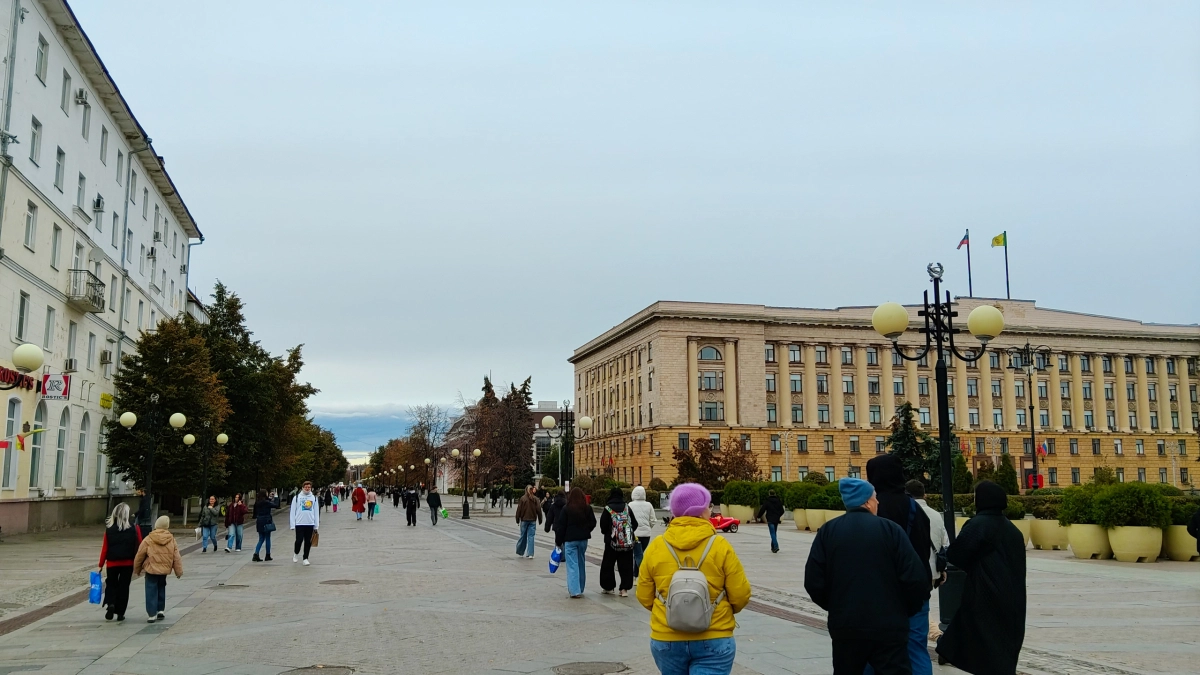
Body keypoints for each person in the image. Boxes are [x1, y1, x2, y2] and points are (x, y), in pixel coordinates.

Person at [804, 477, 930, 674]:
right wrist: (904, 610)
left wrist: (837, 605)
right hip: (889, 626)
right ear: (866, 502)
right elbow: (915, 578)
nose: (878, 502)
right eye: (874, 498)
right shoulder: (890, 530)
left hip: (846, 626)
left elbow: (813, 581)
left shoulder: (828, 531)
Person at [636, 482, 752, 675]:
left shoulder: (657, 546)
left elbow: (643, 595)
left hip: (667, 637)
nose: (711, 509)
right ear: (701, 510)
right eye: (708, 505)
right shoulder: (720, 545)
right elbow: (740, 594)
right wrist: (720, 611)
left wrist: (671, 610)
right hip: (714, 635)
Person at [936, 481, 1027, 675]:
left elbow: (956, 554)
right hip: (1013, 597)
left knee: (984, 644)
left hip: (985, 593)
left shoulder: (979, 524)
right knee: (1002, 645)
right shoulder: (1013, 530)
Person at [867, 454, 934, 675]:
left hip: (880, 591)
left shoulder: (871, 509)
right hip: (914, 589)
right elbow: (923, 550)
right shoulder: (914, 508)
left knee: (872, 650)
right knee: (915, 648)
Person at [133, 515, 183, 623]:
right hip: (164, 569)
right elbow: (176, 556)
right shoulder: (171, 539)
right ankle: (160, 609)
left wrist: (136, 569)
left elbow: (140, 555)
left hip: (151, 568)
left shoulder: (149, 538)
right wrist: (178, 571)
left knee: (151, 589)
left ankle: (152, 614)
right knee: (161, 587)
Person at [98, 503, 142, 621]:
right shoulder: (134, 528)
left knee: (111, 584)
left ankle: (111, 603)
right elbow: (140, 546)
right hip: (128, 563)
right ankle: (121, 612)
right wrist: (140, 563)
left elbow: (105, 549)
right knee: (124, 587)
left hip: (112, 563)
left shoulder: (109, 530)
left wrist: (100, 565)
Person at [553, 487, 596, 598]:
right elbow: (593, 522)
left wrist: (558, 541)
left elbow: (561, 527)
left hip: (570, 540)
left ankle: (575, 590)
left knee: (572, 565)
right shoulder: (587, 508)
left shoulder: (566, 509)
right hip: (583, 540)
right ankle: (580, 588)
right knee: (581, 563)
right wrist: (586, 530)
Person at [905, 480, 949, 588]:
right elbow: (945, 543)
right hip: (933, 571)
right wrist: (943, 568)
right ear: (924, 495)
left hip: (911, 571)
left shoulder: (906, 513)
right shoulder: (936, 515)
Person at [599, 486, 639, 597]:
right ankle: (624, 589)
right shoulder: (627, 507)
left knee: (608, 565)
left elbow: (603, 526)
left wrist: (610, 534)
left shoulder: (608, 508)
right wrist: (626, 533)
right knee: (626, 565)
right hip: (626, 543)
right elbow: (635, 524)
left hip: (611, 543)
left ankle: (609, 587)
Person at [628, 485, 658, 575]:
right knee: (641, 553)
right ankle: (638, 573)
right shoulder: (649, 505)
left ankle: (638, 574)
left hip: (634, 534)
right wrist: (648, 527)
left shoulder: (630, 505)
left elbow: (627, 520)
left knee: (637, 554)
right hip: (646, 534)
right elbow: (653, 520)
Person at [290, 480, 320, 565]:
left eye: (309, 487)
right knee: (299, 540)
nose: (307, 488)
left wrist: (316, 525)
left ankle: (305, 558)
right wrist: (292, 524)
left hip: (310, 523)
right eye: (306, 487)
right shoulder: (297, 497)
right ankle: (296, 553)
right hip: (299, 523)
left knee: (308, 542)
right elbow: (293, 511)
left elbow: (316, 512)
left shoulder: (313, 498)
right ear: (302, 488)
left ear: (311, 488)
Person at [515, 485, 543, 558]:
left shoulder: (523, 499)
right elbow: (539, 510)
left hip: (524, 520)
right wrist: (540, 519)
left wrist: (517, 519)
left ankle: (520, 551)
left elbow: (519, 510)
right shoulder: (535, 499)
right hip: (532, 520)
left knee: (523, 536)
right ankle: (530, 553)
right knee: (531, 537)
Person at [252, 490, 280, 562]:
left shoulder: (257, 503)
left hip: (259, 520)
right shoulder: (266, 502)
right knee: (267, 538)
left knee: (261, 538)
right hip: (266, 520)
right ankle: (267, 555)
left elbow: (254, 513)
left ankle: (256, 553)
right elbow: (276, 505)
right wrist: (276, 497)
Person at [757, 488, 785, 553]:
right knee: (774, 533)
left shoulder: (767, 501)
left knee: (772, 533)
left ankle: (776, 546)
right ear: (775, 494)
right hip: (776, 520)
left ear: (769, 494)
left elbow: (762, 509)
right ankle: (773, 548)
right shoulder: (778, 501)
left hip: (770, 519)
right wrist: (778, 516)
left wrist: (758, 516)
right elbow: (782, 511)